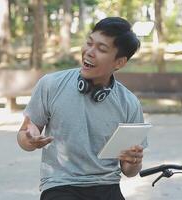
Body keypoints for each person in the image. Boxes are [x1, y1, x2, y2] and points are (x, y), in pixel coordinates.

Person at [17, 17, 147, 200]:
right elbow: (25, 134)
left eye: (101, 49)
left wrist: (134, 161)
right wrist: (29, 139)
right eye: (89, 43)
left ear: (119, 62)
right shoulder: (51, 85)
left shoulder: (129, 103)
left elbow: (129, 171)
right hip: (60, 186)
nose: (89, 52)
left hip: (107, 186)